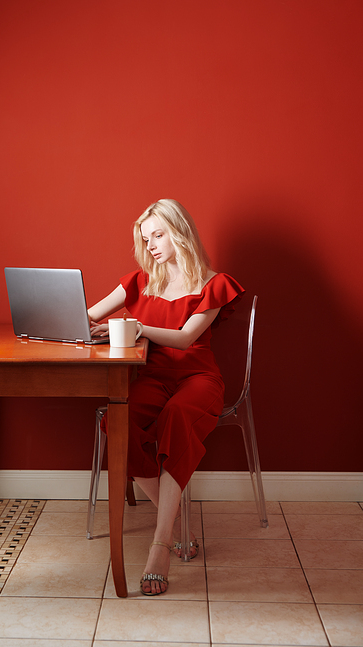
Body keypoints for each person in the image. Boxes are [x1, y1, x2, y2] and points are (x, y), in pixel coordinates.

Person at [88, 199, 244, 596]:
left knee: (176, 416)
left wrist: (137, 326)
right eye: (146, 238)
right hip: (150, 376)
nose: (152, 244)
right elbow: (89, 315)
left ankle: (159, 546)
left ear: (181, 231)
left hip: (198, 377)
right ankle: (175, 526)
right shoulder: (139, 281)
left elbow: (186, 338)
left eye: (159, 234)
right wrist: (84, 325)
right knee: (117, 418)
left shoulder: (214, 283)